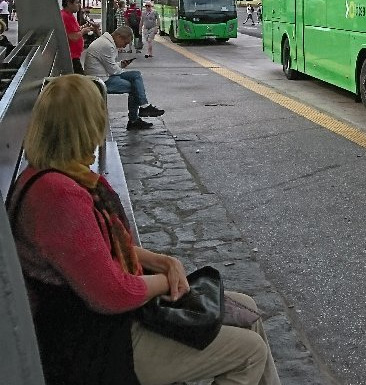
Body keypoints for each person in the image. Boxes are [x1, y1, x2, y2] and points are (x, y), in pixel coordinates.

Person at [9, 74, 281, 385]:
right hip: (94, 345)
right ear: (86, 127)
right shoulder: (59, 197)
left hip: (100, 324)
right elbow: (112, 294)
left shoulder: (51, 175)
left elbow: (94, 249)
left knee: (246, 307)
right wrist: (167, 281)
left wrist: (163, 262)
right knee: (249, 352)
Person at [83, 25, 165, 130]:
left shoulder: (106, 42)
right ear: (119, 36)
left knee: (136, 75)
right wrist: (121, 68)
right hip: (100, 81)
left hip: (104, 76)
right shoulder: (106, 45)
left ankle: (143, 108)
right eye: (125, 43)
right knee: (134, 86)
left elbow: (110, 66)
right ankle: (136, 117)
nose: (124, 46)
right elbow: (113, 71)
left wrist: (121, 64)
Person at [60, 0, 97, 74]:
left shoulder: (70, 15)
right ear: (69, 3)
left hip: (75, 55)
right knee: (80, 81)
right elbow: (73, 37)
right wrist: (84, 31)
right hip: (71, 57)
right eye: (77, 2)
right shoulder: (65, 17)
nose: (79, 5)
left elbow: (74, 30)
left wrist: (84, 27)